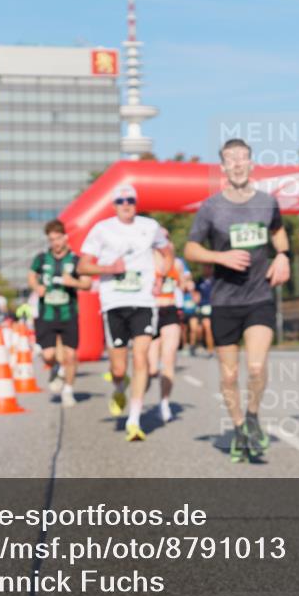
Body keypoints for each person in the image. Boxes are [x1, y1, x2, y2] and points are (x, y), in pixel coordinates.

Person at [184, 138, 291, 462]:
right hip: (224, 301)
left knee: (256, 367)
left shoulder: (266, 202)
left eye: (242, 158)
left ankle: (254, 415)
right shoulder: (211, 207)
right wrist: (221, 256)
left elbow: (278, 233)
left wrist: (283, 255)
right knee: (229, 375)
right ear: (223, 168)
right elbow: (190, 249)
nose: (238, 164)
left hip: (259, 296)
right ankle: (240, 426)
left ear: (251, 163)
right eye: (231, 159)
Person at [78, 184, 173, 441]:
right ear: (114, 204)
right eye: (121, 201)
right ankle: (119, 386)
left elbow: (168, 251)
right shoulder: (102, 229)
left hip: (143, 301)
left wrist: (161, 276)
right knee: (119, 368)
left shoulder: (150, 226)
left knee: (141, 358)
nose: (126, 204)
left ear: (136, 202)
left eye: (130, 200)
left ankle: (134, 419)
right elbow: (83, 266)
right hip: (114, 302)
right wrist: (108, 268)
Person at [28, 219, 92, 408]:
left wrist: (73, 283)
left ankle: (68, 390)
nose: (55, 243)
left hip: (68, 313)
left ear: (65, 238)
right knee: (48, 355)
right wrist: (36, 286)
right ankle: (56, 367)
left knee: (70, 355)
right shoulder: (41, 258)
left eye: (58, 238)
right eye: (51, 239)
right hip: (47, 313)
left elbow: (87, 283)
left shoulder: (75, 260)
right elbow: (31, 276)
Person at [148, 240, 191, 422]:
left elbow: (184, 284)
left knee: (169, 358)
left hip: (170, 311)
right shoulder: (146, 261)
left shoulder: (177, 264)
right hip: (150, 313)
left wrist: (186, 284)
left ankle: (164, 403)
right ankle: (144, 383)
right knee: (151, 368)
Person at [194, 267, 215, 357]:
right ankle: (198, 344)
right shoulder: (199, 281)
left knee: (208, 328)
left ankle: (210, 350)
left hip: (211, 307)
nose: (207, 269)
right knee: (197, 329)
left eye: (208, 267)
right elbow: (196, 293)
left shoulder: (215, 280)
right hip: (201, 307)